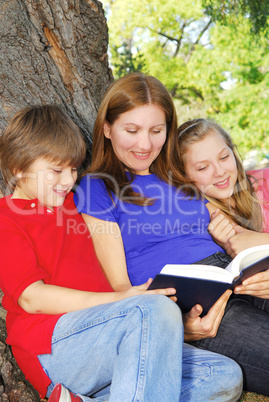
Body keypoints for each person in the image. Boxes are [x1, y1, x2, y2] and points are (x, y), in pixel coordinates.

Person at [0, 105, 243, 402]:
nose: (67, 180)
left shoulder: (79, 203)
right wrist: (122, 299)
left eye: (74, 168)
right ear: (17, 168)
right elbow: (31, 298)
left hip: (116, 340)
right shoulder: (7, 218)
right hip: (53, 345)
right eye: (55, 170)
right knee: (153, 307)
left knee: (224, 374)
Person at [74, 72, 267, 396]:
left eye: (156, 130)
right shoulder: (98, 188)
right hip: (190, 304)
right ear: (107, 128)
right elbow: (121, 287)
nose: (145, 144)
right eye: (132, 130)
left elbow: (237, 238)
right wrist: (177, 328)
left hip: (233, 277)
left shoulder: (181, 178)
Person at [177, 117, 269, 396]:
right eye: (203, 167)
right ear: (184, 177)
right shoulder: (195, 218)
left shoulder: (264, 184)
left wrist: (254, 239)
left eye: (224, 157)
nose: (219, 172)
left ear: (234, 151)